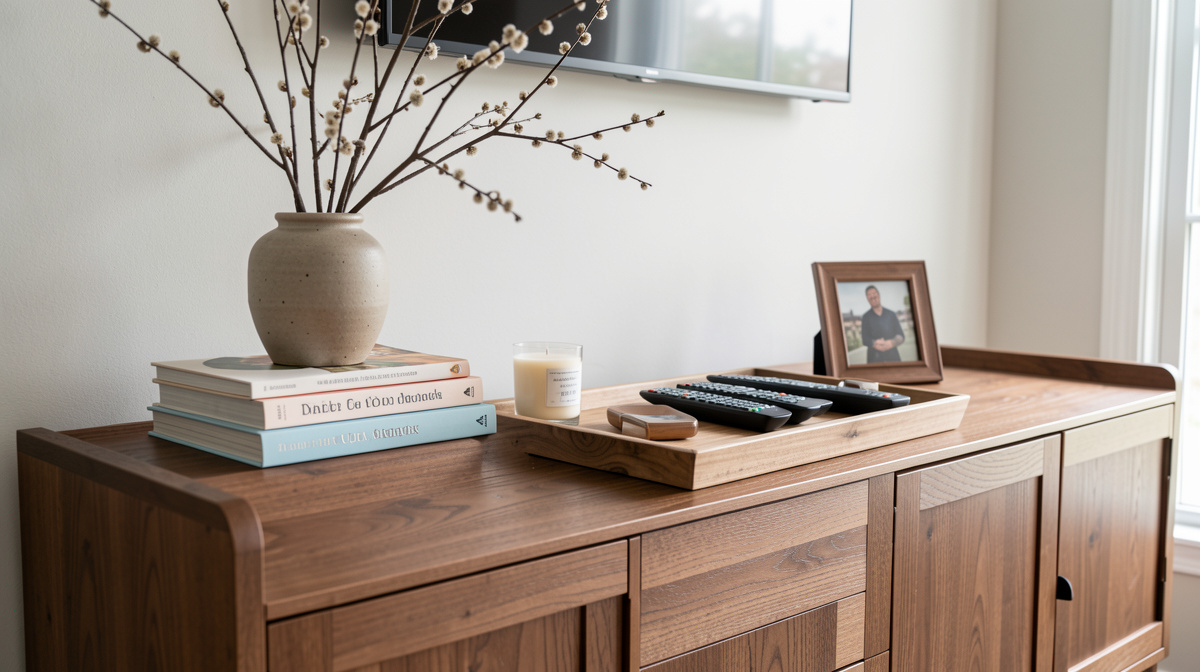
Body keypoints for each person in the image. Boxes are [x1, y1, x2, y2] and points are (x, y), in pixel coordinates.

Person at [860, 285, 905, 363]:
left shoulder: (891, 314)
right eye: (869, 295)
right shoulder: (865, 317)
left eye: (874, 293)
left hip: (893, 358)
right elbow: (864, 339)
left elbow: (901, 335)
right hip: (874, 359)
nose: (872, 296)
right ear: (867, 299)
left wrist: (892, 342)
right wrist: (874, 343)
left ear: (878, 295)